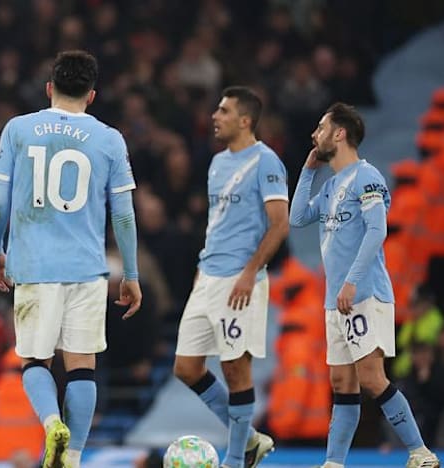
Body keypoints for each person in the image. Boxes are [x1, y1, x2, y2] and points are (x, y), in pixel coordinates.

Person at [0, 50, 142, 468]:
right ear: (92, 95)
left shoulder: (18, 129)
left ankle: (52, 422)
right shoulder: (109, 139)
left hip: (34, 264)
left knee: (35, 360)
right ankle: (72, 456)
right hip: (87, 268)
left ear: (49, 88)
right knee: (82, 366)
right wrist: (130, 272)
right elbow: (123, 214)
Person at [289, 102, 440, 468]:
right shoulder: (330, 187)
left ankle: (420, 452)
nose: (314, 134)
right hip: (336, 301)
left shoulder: (367, 177)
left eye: (321, 127)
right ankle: (334, 463)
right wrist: (308, 171)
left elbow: (377, 230)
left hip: (364, 294)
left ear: (340, 133)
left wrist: (351, 282)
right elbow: (297, 218)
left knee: (372, 379)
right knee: (342, 384)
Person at [173, 86, 288, 468]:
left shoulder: (267, 162)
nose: (214, 116)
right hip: (208, 275)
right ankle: (251, 439)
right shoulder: (217, 163)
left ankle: (236, 459)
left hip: (241, 279)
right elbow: (217, 223)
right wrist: (201, 267)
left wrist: (250, 273)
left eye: (223, 111)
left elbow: (279, 224)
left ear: (245, 120)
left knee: (235, 368)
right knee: (186, 367)